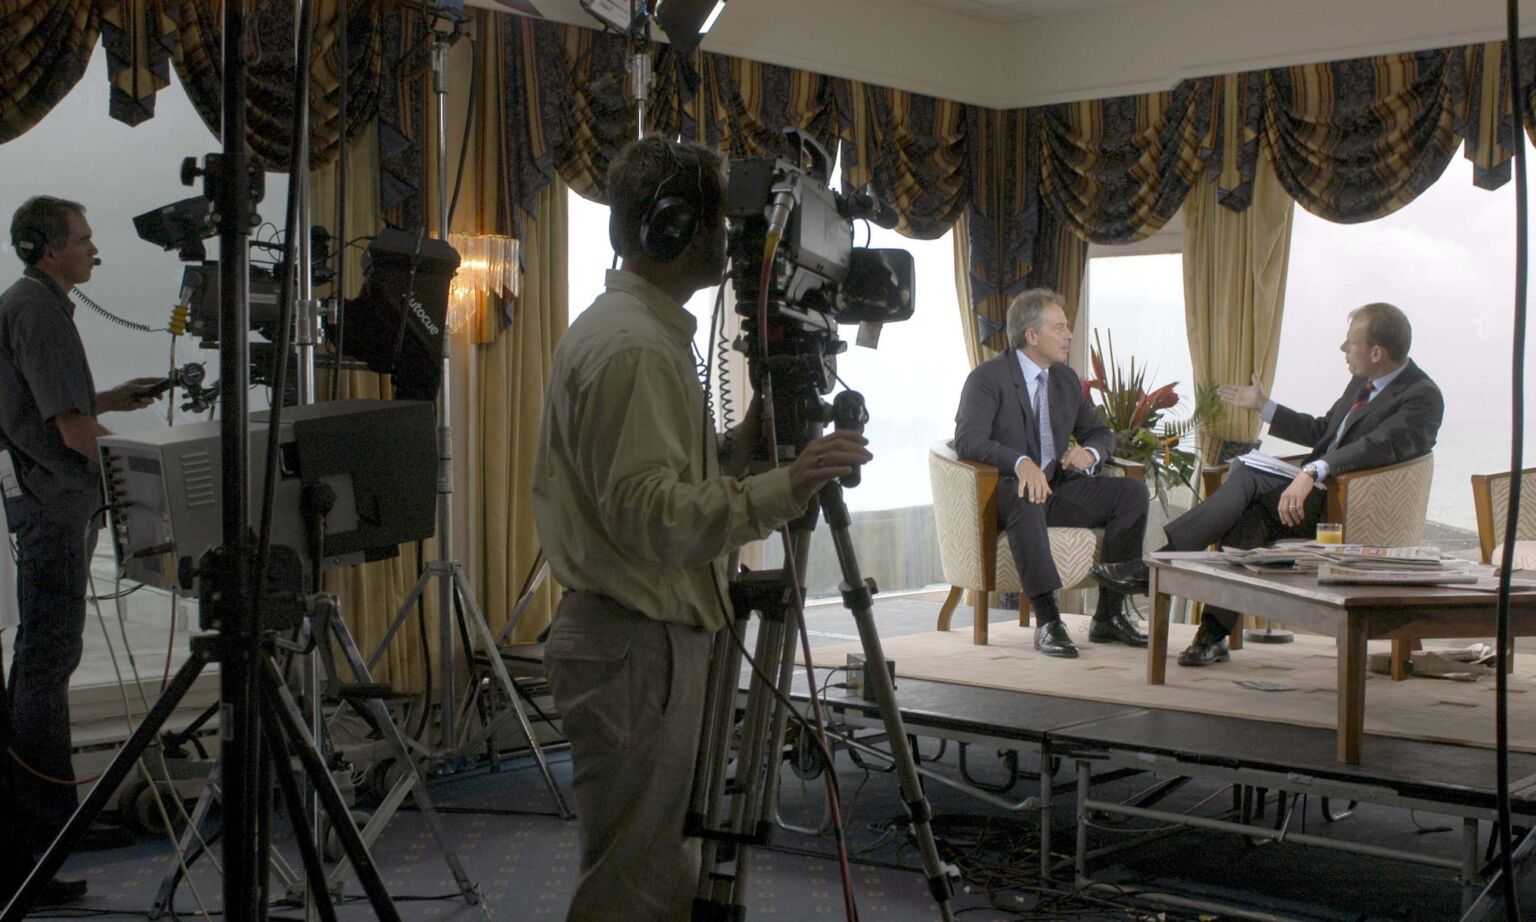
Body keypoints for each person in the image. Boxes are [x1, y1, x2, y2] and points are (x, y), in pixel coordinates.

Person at [531, 136, 872, 922]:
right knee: (635, 884)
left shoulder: (638, 335)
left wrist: (739, 449)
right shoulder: (636, 350)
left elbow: (653, 482)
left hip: (640, 643)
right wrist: (783, 488)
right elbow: (651, 519)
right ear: (673, 229)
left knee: (654, 873)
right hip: (634, 646)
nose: (732, 249)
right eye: (722, 229)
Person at [1094, 302, 1444, 667]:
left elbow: (1378, 446)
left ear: (1377, 352)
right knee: (1248, 518)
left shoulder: (1421, 396)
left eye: (1349, 343)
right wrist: (1265, 407)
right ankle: (1211, 637)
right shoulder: (1362, 381)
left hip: (1350, 509)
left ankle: (1156, 565)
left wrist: (1312, 472)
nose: (1343, 349)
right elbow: (1325, 432)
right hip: (1313, 499)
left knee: (1245, 474)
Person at [0, 196, 162, 886]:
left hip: (45, 505)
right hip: (54, 508)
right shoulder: (37, 309)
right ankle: (43, 831)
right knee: (46, 664)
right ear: (47, 248)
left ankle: (39, 827)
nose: (94, 251)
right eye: (83, 240)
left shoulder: (31, 304)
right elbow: (66, 434)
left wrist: (110, 399)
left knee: (42, 660)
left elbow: (53, 408)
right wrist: (152, 471)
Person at [952, 288, 1151, 659]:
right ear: (1031, 335)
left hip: (1056, 486)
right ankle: (1049, 621)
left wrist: (1089, 452)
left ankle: (1108, 615)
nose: (1068, 335)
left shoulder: (1064, 379)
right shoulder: (987, 378)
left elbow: (1101, 433)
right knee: (1029, 493)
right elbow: (967, 439)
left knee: (1132, 494)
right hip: (1006, 493)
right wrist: (1019, 462)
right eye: (1059, 327)